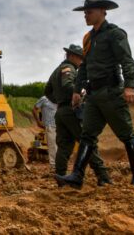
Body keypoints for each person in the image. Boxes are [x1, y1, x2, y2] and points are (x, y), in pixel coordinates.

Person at [56, 0, 134, 190]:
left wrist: (130, 85)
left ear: (102, 11)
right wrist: (76, 90)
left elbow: (127, 60)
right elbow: (85, 66)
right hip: (93, 96)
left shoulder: (115, 34)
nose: (85, 16)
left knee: (127, 135)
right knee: (87, 136)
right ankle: (77, 176)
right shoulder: (88, 38)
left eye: (89, 12)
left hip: (112, 93)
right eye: (84, 13)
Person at [45, 44, 111, 186]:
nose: (82, 62)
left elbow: (47, 91)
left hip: (61, 112)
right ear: (72, 56)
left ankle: (61, 179)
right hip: (72, 111)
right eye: (80, 58)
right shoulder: (69, 69)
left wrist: (59, 101)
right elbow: (69, 85)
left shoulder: (56, 71)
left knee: (64, 147)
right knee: (88, 142)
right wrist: (80, 94)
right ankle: (103, 176)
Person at [32, 96, 58, 172]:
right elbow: (34, 109)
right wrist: (38, 122)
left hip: (59, 125)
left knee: (58, 146)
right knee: (53, 146)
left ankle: (59, 165)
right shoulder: (44, 99)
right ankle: (54, 166)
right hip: (49, 126)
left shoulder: (59, 98)